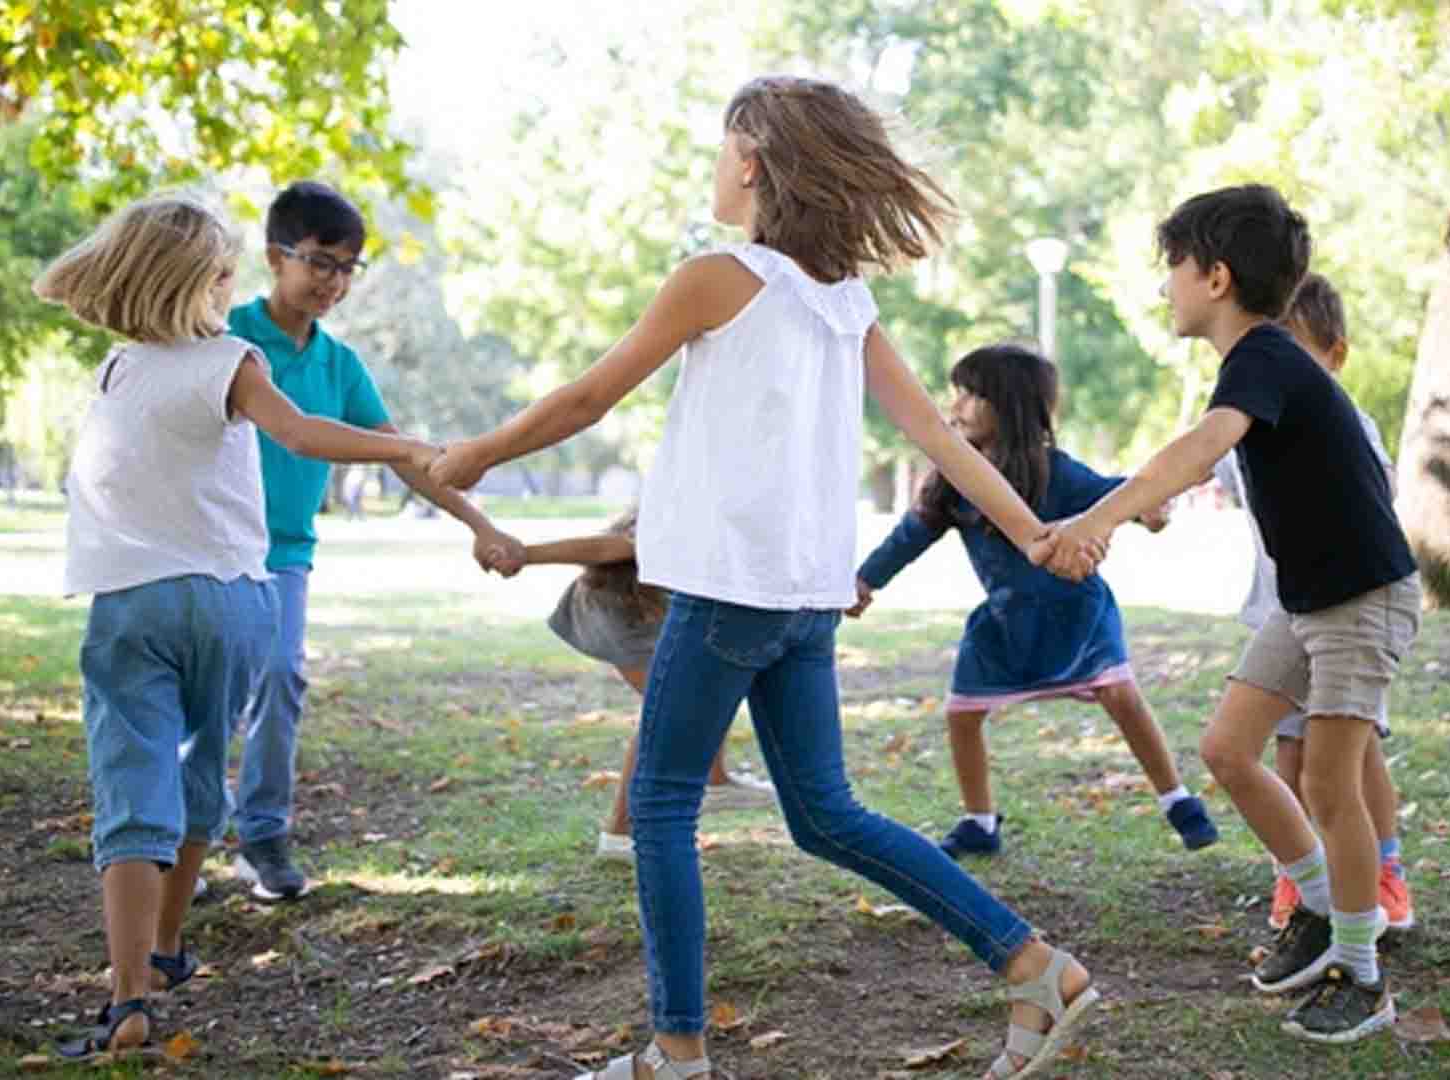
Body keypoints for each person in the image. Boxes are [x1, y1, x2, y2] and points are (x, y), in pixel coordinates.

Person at [430, 75, 1105, 1080]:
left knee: (659, 807)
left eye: (721, 143)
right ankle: (1034, 965)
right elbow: (939, 442)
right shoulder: (844, 302)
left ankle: (677, 1052)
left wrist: (477, 454)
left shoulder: (717, 276)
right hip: (803, 604)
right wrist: (1034, 528)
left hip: (728, 596)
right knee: (826, 813)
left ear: (751, 157)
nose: (713, 161)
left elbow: (587, 398)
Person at [35, 192, 440, 1057]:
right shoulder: (231, 358)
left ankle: (128, 996)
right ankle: (172, 944)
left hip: (134, 604)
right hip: (234, 601)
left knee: (130, 784)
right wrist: (408, 448)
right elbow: (296, 434)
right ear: (207, 281)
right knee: (200, 767)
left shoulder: (116, 371)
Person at [1042, 184, 1420, 1043]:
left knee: (1328, 781)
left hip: (1362, 597)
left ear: (1215, 276)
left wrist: (1097, 522)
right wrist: (1129, 503)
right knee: (1226, 749)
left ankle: (1362, 971)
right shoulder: (1259, 366)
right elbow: (1207, 458)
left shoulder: (1265, 356)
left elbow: (1205, 443)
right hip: (1308, 597)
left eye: (1172, 268)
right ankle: (1323, 911)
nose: (1165, 286)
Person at [219, 180, 523, 901]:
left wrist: (482, 525)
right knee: (208, 700)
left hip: (285, 554)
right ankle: (182, 837)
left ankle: (262, 834)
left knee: (282, 678)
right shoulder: (223, 338)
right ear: (275, 256)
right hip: (210, 552)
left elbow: (401, 457)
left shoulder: (339, 365)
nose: (336, 282)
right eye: (322, 262)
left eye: (350, 268)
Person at [849, 343, 1217, 857]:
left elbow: (1116, 495)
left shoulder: (1055, 472)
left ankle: (1177, 799)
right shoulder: (955, 481)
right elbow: (911, 535)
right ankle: (979, 822)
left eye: (970, 395)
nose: (955, 408)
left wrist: (1150, 507)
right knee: (962, 713)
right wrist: (866, 580)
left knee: (1122, 697)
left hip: (1078, 617)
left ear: (1010, 406)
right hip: (1005, 627)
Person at [1211, 273, 1414, 935]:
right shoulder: (1242, 405)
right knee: (1282, 758)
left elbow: (1370, 504)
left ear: (1334, 355)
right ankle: (1310, 881)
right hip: (1283, 606)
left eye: (1294, 352)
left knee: (1342, 765)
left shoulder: (1342, 418)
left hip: (1348, 602)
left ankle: (1374, 887)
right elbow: (1206, 461)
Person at [492, 505, 778, 861]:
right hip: (621, 607)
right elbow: (608, 548)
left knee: (708, 688)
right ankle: (619, 833)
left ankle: (715, 781)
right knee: (670, 710)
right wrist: (526, 554)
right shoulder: (691, 498)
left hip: (655, 599)